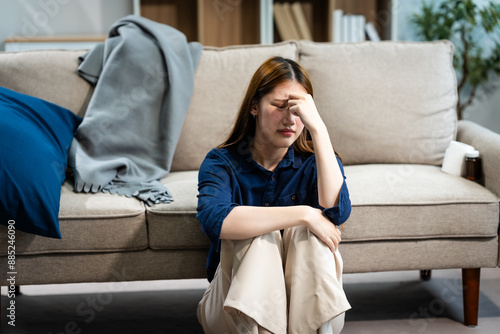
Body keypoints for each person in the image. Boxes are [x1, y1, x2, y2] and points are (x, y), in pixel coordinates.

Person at [196, 56, 351, 334]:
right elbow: (215, 220)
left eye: (300, 110)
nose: (290, 119)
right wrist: (303, 214)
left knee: (308, 234)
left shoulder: (315, 160)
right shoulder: (222, 161)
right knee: (261, 233)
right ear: (254, 106)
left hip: (313, 314)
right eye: (280, 106)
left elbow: (336, 211)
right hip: (233, 312)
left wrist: (319, 128)